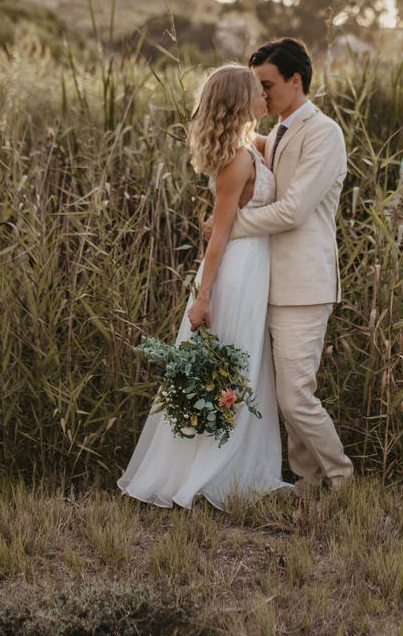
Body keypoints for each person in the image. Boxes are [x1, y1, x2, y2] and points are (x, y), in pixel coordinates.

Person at [118, 64, 289, 509]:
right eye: (257, 91)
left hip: (255, 269)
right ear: (239, 101)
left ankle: (242, 469)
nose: (265, 98)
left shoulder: (253, 145)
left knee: (247, 364)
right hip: (234, 273)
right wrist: (203, 296)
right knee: (231, 365)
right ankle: (209, 473)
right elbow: (219, 237)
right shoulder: (236, 159)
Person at [210, 37, 354, 497]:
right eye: (257, 86)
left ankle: (341, 479)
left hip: (305, 284)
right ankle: (307, 483)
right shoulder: (275, 134)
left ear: (296, 81)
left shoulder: (324, 133)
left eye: (268, 84)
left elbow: (293, 211)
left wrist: (228, 226)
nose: (263, 94)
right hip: (266, 283)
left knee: (296, 396)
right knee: (282, 397)